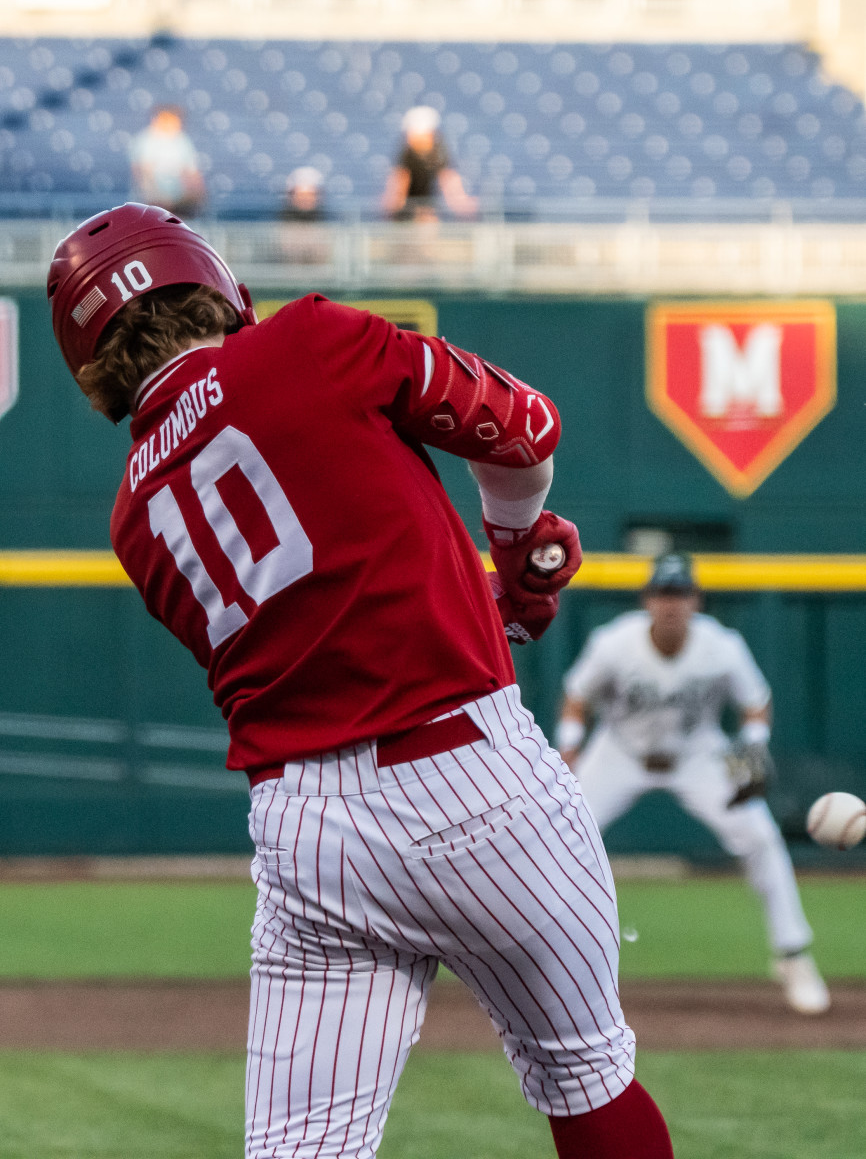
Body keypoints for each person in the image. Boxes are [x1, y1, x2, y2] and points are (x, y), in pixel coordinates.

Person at [47, 202, 674, 1159]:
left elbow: (319, 616)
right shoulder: (304, 340)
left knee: (300, 1148)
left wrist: (482, 596)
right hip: (474, 781)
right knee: (586, 1077)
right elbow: (526, 428)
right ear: (211, 282)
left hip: (306, 828)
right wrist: (512, 555)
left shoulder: (133, 511)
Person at [556, 552, 829, 1016]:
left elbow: (756, 704)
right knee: (558, 841)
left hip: (697, 754)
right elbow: (577, 698)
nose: (671, 603)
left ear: (696, 600)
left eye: (680, 593)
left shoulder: (722, 646)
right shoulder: (614, 643)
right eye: (663, 593)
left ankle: (792, 956)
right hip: (620, 752)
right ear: (647, 599)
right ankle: (543, 965)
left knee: (761, 836)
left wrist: (752, 747)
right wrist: (570, 749)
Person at [381, 105, 478, 221]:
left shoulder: (438, 153)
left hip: (426, 209)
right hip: (408, 216)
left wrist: (461, 202)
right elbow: (398, 188)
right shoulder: (407, 155)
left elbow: (449, 181)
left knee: (428, 219)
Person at [129, 106, 207, 218]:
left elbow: (191, 172)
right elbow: (144, 174)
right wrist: (157, 196)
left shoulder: (182, 140)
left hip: (177, 197)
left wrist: (197, 192)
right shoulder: (146, 140)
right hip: (153, 199)